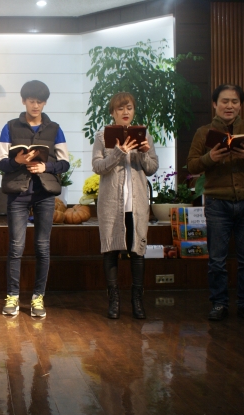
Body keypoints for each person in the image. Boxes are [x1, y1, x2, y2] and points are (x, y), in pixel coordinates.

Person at [187, 84, 244, 322]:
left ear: (240, 105)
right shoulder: (204, 132)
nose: (229, 106)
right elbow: (192, 164)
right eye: (224, 101)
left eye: (234, 102)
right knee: (217, 259)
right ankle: (219, 304)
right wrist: (210, 157)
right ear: (215, 104)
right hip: (217, 202)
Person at [0, 80, 69, 318]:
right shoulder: (10, 126)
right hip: (17, 193)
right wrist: (17, 161)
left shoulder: (55, 129)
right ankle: (13, 296)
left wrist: (45, 166)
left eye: (39, 101)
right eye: (31, 101)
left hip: (44, 193)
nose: (35, 105)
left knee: (42, 246)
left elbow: (64, 163)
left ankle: (38, 298)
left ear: (45, 103)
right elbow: (1, 162)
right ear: (23, 101)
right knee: (16, 247)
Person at [92, 92, 159, 319]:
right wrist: (119, 153)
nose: (125, 112)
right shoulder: (102, 136)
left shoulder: (144, 135)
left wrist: (144, 153)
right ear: (113, 112)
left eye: (129, 108)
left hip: (137, 204)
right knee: (110, 250)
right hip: (111, 204)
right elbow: (98, 167)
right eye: (120, 108)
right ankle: (114, 301)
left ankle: (137, 301)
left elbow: (152, 168)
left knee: (137, 251)